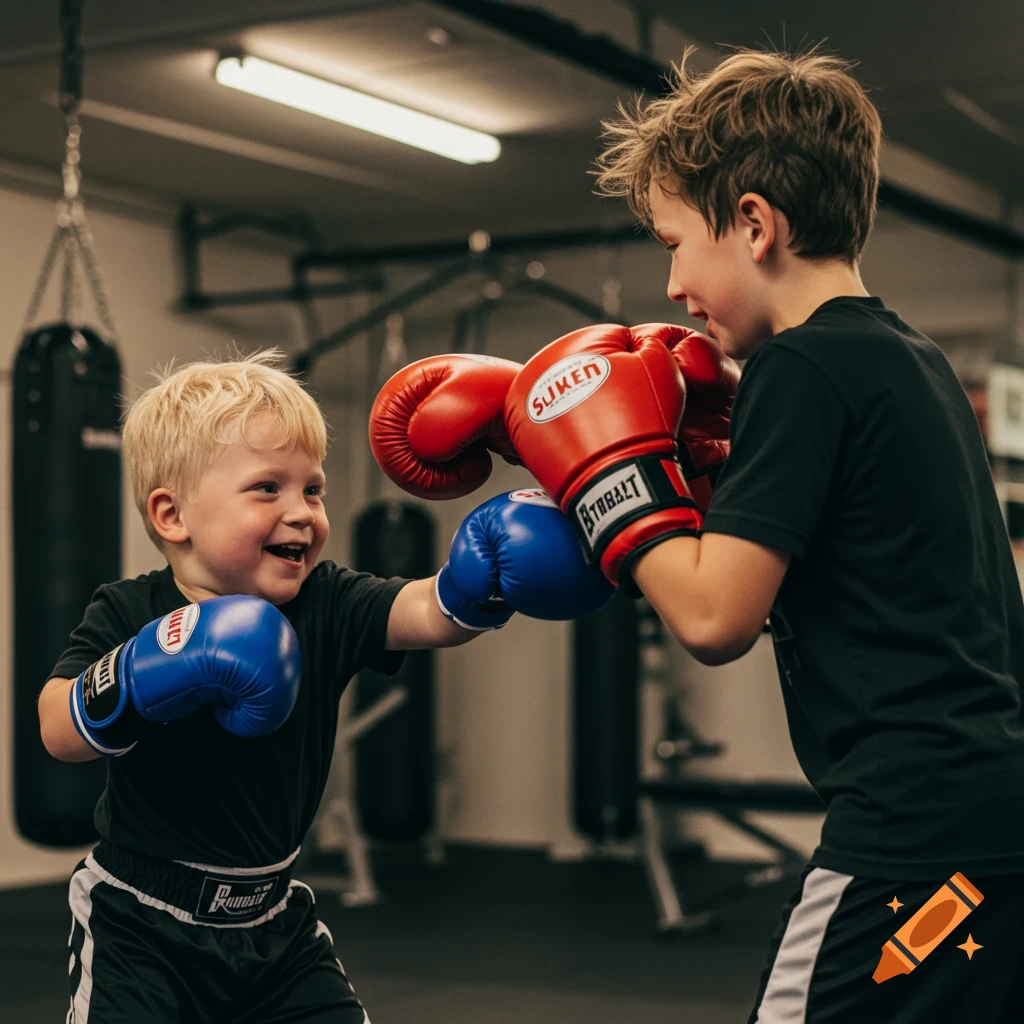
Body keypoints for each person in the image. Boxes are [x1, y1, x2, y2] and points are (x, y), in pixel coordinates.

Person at [496, 48, 1024, 1023]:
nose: (672, 283)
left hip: (905, 839)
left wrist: (609, 476)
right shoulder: (915, 364)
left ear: (751, 223)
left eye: (673, 241)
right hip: (992, 824)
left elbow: (709, 614)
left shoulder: (800, 370)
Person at [38, 349, 611, 1024]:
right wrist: (140, 675)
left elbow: (425, 613)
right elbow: (56, 729)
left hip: (274, 923)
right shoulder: (131, 611)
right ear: (172, 516)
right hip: (141, 922)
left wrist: (481, 577)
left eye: (312, 489)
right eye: (267, 489)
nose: (302, 512)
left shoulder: (326, 600)